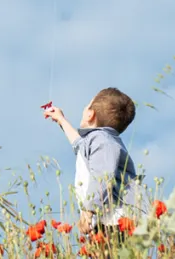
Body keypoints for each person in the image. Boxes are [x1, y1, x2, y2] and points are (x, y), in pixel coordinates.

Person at [43, 87, 140, 238]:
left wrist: (89, 210)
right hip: (111, 221)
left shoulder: (103, 142)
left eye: (87, 105)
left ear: (90, 114)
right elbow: (79, 144)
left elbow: (104, 175)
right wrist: (61, 120)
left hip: (116, 223)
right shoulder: (101, 140)